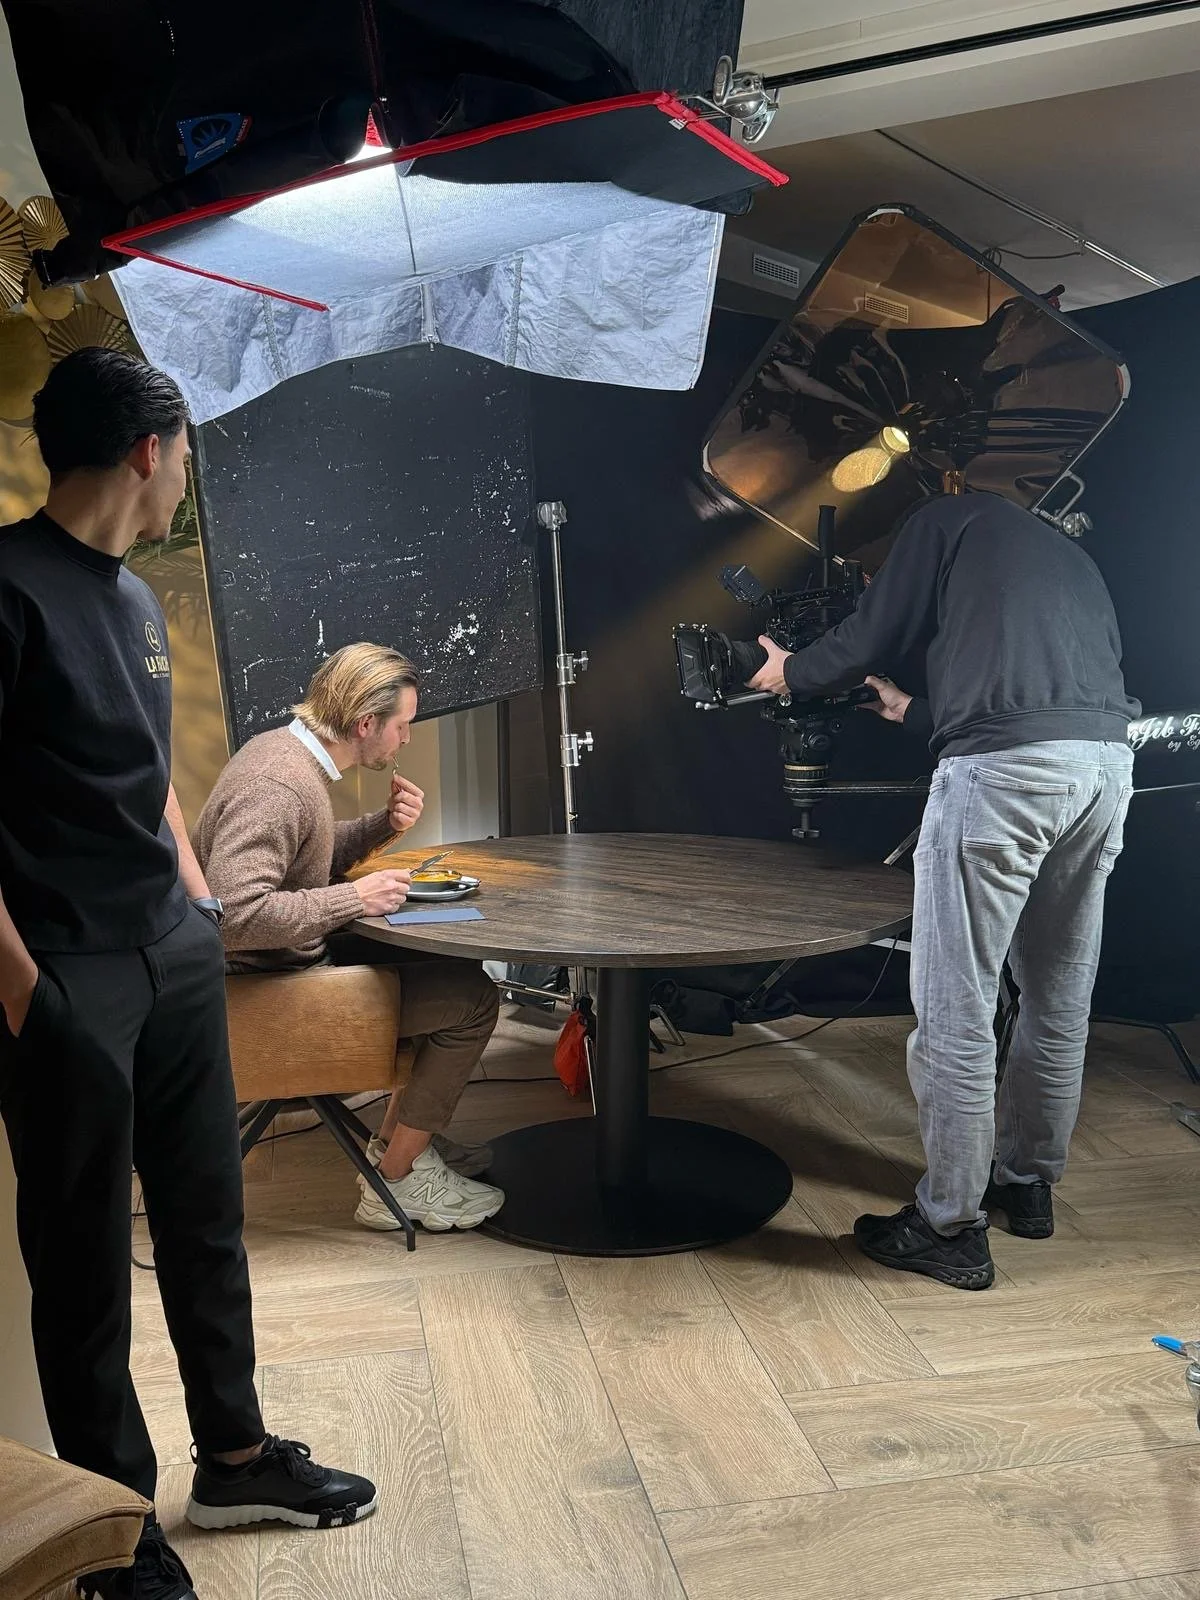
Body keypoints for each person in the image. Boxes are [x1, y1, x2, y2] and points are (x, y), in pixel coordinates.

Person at [0, 350, 376, 1600]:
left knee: (208, 1220)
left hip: (169, 948)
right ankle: (113, 1524)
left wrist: (197, 894)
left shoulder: (130, 598)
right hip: (62, 974)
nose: (186, 480)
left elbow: (144, 764)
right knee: (83, 1263)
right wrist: (25, 995)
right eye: (187, 456)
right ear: (150, 450)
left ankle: (237, 1453)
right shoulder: (3, 589)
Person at [747, 490, 1140, 1290]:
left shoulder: (939, 516)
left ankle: (949, 1225)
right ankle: (1026, 1188)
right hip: (1103, 772)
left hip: (1005, 778)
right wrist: (912, 708)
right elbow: (1038, 699)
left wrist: (795, 670)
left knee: (958, 1005)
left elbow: (872, 631)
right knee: (1056, 997)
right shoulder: (1067, 554)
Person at [193, 642, 503, 1233]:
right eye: (403, 725)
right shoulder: (278, 785)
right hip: (268, 997)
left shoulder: (284, 754)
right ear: (365, 723)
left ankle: (401, 1144)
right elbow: (230, 914)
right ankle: (401, 1177)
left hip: (281, 971)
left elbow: (301, 855)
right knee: (473, 1001)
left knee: (438, 967)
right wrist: (353, 899)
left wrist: (380, 826)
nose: (406, 739)